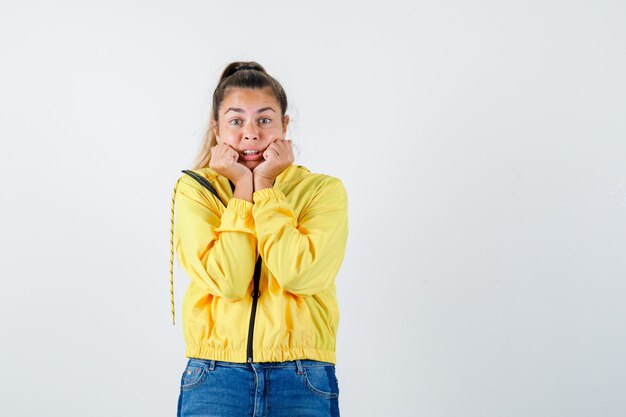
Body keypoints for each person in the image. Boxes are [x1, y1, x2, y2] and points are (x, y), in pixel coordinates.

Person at [168, 61, 348, 417]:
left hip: (303, 375)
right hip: (215, 375)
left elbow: (301, 274)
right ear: (217, 129)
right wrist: (241, 192)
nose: (250, 133)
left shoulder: (322, 191)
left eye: (264, 120)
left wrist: (264, 187)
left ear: (284, 125)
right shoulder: (196, 190)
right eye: (236, 121)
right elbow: (229, 281)